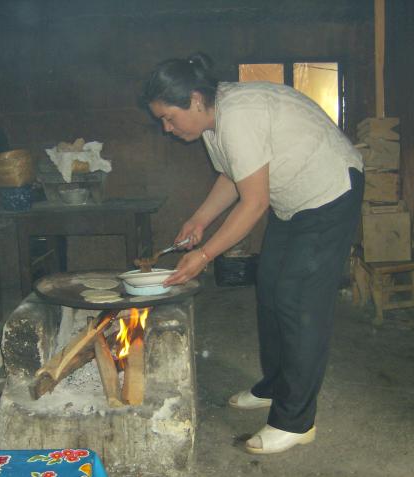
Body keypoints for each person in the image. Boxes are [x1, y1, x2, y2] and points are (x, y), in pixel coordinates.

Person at [142, 53, 364, 454]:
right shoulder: (213, 123)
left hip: (330, 191)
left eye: (169, 118)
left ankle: (296, 421)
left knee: (299, 300)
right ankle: (275, 386)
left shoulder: (238, 115)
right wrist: (199, 219)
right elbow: (233, 176)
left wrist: (204, 255)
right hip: (293, 199)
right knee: (271, 286)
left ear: (194, 99)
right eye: (161, 120)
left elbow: (254, 201)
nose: (166, 128)